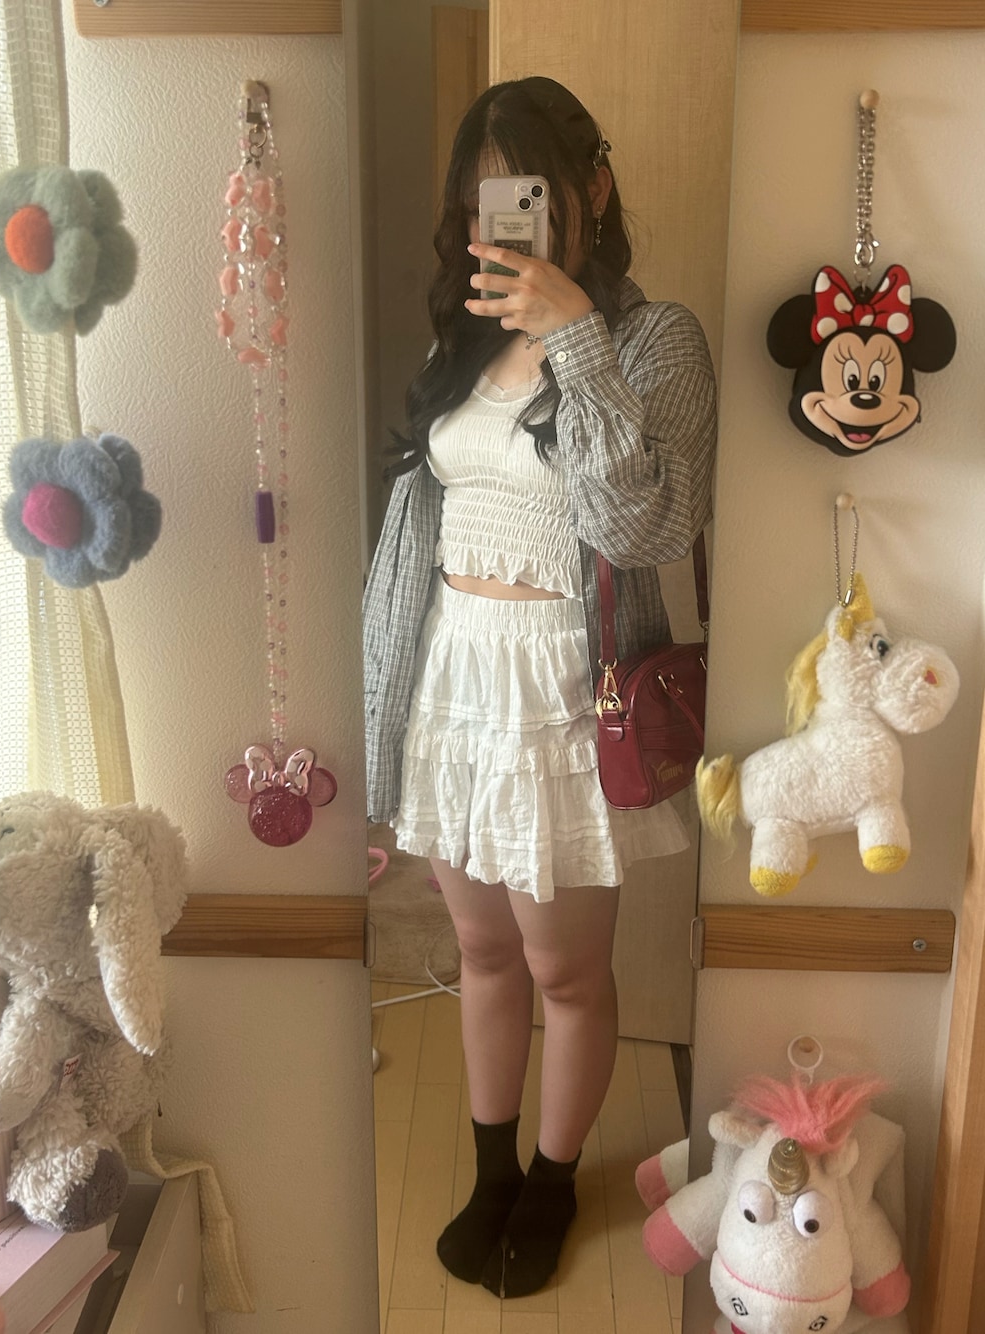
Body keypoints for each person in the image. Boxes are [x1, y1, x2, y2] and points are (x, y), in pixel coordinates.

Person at [363, 76, 716, 1298]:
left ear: (591, 188)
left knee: (564, 969)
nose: (501, 220)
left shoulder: (657, 341)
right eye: (482, 201)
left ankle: (554, 1181)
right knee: (481, 950)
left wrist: (575, 337)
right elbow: (407, 547)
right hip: (455, 675)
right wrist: (379, 718)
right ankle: (490, 1169)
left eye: (526, 191)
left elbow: (643, 525)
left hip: (564, 686)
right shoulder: (457, 341)